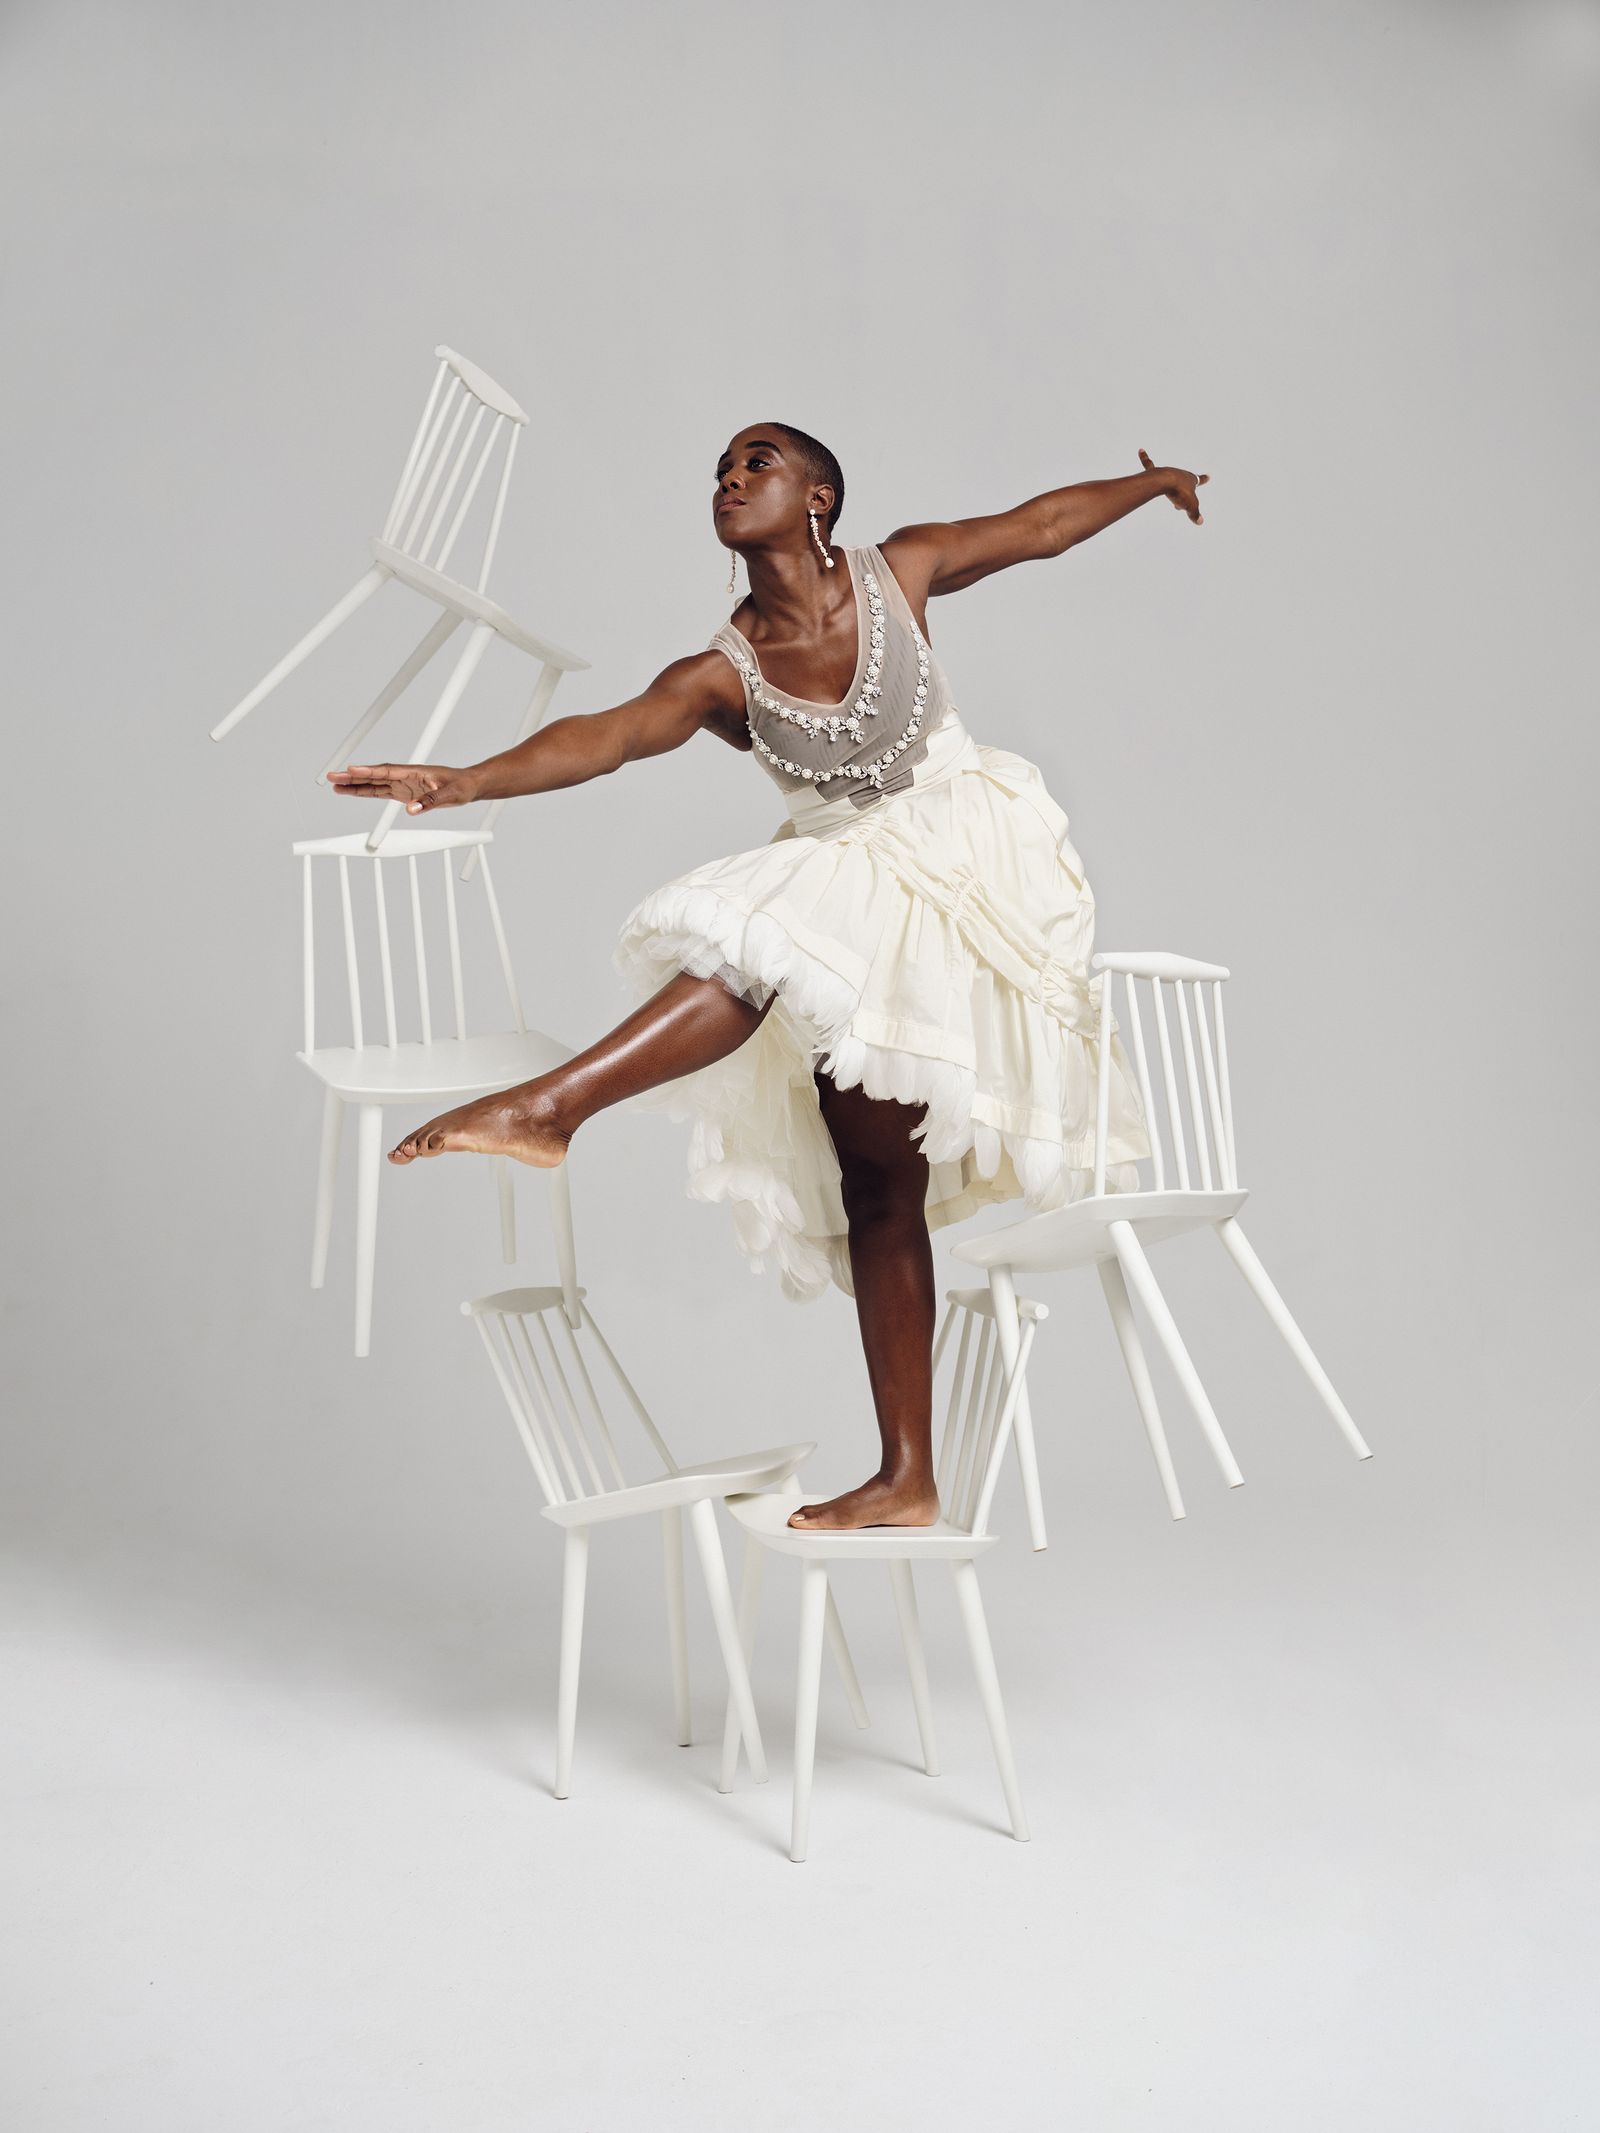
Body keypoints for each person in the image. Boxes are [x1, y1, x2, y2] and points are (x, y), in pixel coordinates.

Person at [329, 424, 1206, 1530]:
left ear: (818, 497)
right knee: (877, 1188)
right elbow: (606, 736)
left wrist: (1147, 484)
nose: (730, 480)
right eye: (718, 472)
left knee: (759, 930)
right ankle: (908, 1477)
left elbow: (1037, 527)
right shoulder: (718, 676)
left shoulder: (907, 568)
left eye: (756, 463)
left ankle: (552, 1107)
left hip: (966, 869)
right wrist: (464, 782)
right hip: (854, 906)